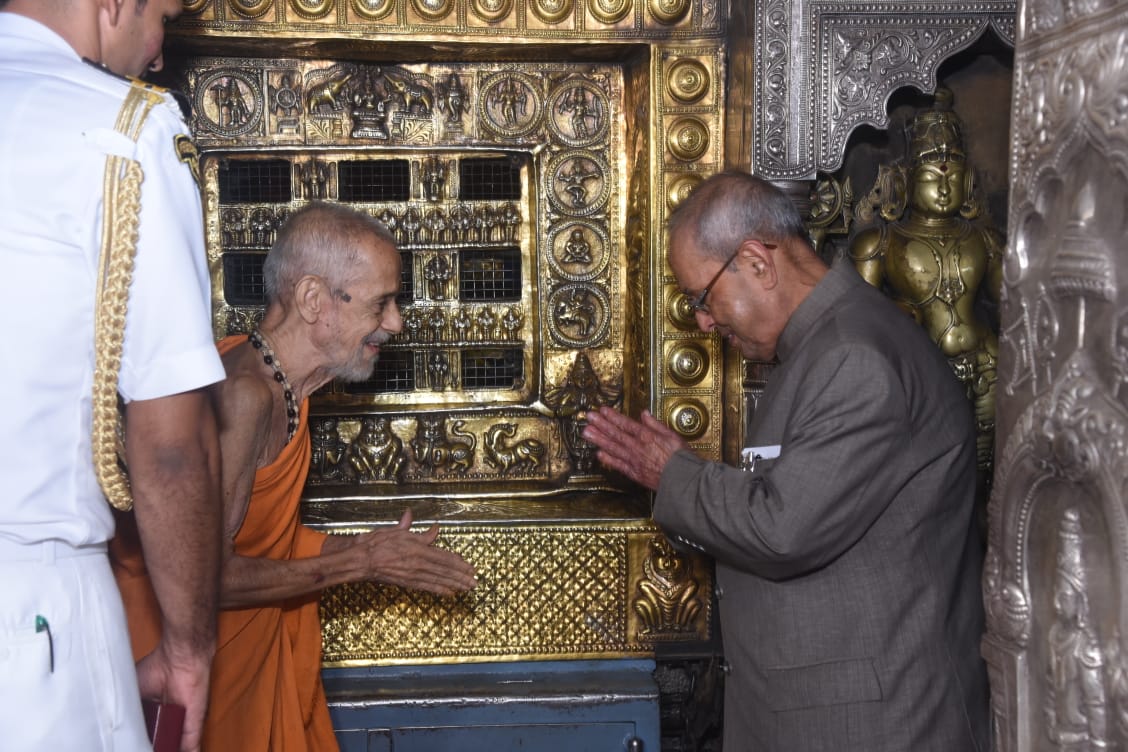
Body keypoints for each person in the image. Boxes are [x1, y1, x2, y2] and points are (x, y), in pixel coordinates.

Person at [583, 171, 990, 751]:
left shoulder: (853, 356)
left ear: (756, 262)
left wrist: (671, 473)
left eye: (702, 297)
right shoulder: (820, 348)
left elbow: (783, 528)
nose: (703, 320)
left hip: (877, 723)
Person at [112, 202, 479, 751]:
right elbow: (201, 578)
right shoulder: (244, 397)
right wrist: (360, 563)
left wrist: (370, 548)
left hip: (245, 660)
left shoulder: (287, 388)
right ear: (313, 301)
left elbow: (267, 539)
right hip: (192, 675)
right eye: (381, 303)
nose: (395, 322)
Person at [0, 1, 225, 751]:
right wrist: (189, 654)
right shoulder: (126, 133)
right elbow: (169, 447)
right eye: (162, 16)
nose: (159, 53)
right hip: (36, 618)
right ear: (115, 4)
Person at [849, 89, 1003, 499]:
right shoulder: (880, 244)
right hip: (920, 375)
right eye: (932, 174)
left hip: (987, 368)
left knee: (986, 476)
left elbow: (1014, 307)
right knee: (927, 479)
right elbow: (858, 325)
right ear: (905, 178)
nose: (944, 184)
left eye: (953, 173)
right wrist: (898, 310)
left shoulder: (984, 239)